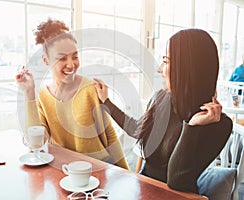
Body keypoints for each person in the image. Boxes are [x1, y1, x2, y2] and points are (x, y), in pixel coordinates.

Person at [94, 28, 232, 193]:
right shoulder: (162, 98)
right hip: (145, 188)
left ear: (187, 68)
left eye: (166, 61)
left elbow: (177, 181)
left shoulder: (219, 125)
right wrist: (107, 102)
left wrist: (192, 127)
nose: (160, 69)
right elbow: (139, 129)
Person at [15, 18, 129, 169]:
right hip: (63, 169)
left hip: (97, 168)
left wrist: (127, 173)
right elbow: (36, 142)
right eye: (62, 58)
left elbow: (109, 134)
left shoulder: (90, 89)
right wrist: (29, 93)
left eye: (75, 56)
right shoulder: (43, 95)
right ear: (46, 60)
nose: (71, 64)